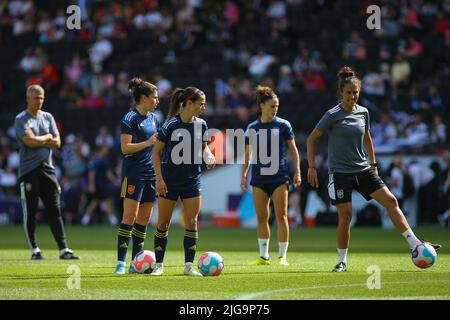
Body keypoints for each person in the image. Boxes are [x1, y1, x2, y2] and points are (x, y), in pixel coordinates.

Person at [306, 66, 441, 272]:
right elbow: (311, 139)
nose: (352, 96)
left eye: (355, 92)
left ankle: (415, 244)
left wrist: (374, 164)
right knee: (346, 216)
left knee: (391, 201)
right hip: (340, 173)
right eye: (349, 92)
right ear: (341, 93)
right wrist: (312, 167)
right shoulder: (332, 114)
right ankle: (342, 261)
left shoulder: (364, 112)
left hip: (363, 169)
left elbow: (367, 138)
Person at [151, 87, 216, 276]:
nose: (203, 107)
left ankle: (189, 266)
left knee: (192, 221)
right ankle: (158, 266)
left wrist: (209, 155)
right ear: (188, 103)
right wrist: (160, 179)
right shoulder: (171, 125)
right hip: (169, 181)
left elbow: (204, 148)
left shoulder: (202, 124)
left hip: (192, 180)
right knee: (163, 224)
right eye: (200, 103)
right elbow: (156, 153)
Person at [14, 84, 79, 260]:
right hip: (28, 170)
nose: (40, 101)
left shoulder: (48, 117)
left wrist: (39, 139)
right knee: (31, 211)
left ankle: (63, 249)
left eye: (42, 97)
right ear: (28, 98)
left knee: (54, 209)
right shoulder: (21, 119)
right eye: (36, 97)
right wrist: (46, 138)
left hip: (47, 169)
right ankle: (34, 249)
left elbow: (57, 142)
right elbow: (30, 142)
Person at [240, 86, 301, 266]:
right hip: (258, 178)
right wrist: (244, 175)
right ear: (262, 106)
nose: (275, 109)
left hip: (279, 177)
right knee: (262, 217)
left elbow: (293, 150)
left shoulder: (284, 125)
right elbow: (247, 154)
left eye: (277, 106)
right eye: (272, 106)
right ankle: (263, 256)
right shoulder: (252, 127)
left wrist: (297, 171)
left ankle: (282, 257)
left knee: (281, 215)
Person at [115, 78, 160, 275]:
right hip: (133, 173)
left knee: (143, 219)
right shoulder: (129, 118)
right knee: (130, 216)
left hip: (150, 173)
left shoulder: (154, 118)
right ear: (143, 98)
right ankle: (120, 263)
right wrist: (148, 142)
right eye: (155, 97)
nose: (157, 101)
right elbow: (125, 148)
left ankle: (136, 262)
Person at [81, 145, 119, 226]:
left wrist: (115, 181)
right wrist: (92, 185)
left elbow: (108, 173)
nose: (107, 151)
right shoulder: (97, 160)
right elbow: (92, 173)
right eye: (105, 149)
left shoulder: (104, 160)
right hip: (98, 185)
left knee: (102, 201)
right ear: (101, 150)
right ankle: (86, 219)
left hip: (103, 185)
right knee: (97, 202)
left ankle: (86, 219)